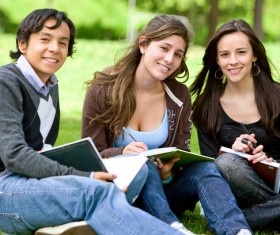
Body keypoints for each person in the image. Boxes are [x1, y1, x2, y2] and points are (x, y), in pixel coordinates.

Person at [0, 8, 193, 235]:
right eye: (45, 39)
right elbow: (14, 155)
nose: (55, 48)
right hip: (7, 190)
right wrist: (84, 177)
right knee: (98, 191)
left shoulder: (49, 86)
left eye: (63, 43)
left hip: (36, 183)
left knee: (136, 172)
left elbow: (40, 150)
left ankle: (73, 225)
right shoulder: (7, 82)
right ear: (23, 44)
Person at [82, 14, 252, 235]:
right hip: (121, 190)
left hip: (164, 191)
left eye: (178, 54)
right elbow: (89, 156)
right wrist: (123, 152)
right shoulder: (103, 88)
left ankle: (238, 230)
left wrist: (169, 172)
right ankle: (171, 228)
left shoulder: (179, 96)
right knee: (142, 163)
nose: (170, 59)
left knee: (206, 168)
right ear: (143, 44)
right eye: (164, 48)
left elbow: (182, 154)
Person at [190, 18, 280, 231]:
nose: (233, 61)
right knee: (226, 163)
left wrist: (270, 161)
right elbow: (208, 169)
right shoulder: (206, 106)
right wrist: (231, 153)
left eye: (241, 52)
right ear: (217, 60)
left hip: (276, 184)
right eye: (224, 55)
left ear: (254, 55)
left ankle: (237, 218)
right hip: (234, 186)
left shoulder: (277, 96)